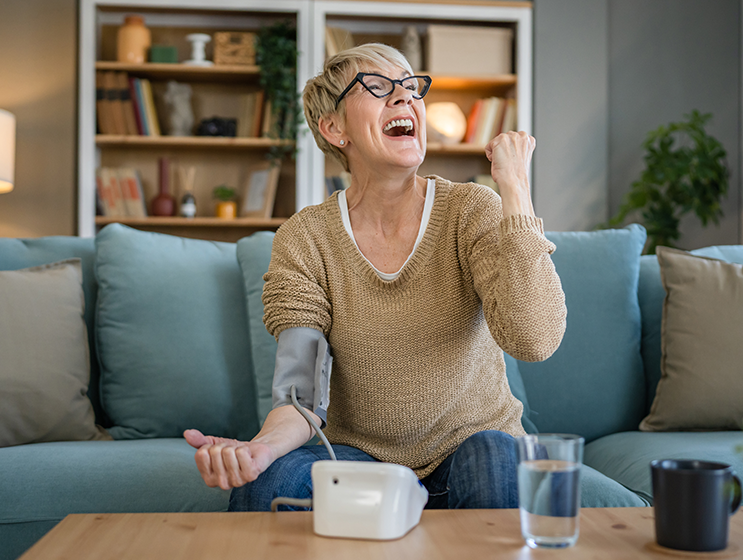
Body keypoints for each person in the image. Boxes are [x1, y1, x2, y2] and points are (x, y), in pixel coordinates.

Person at [184, 43, 566, 511]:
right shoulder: (305, 238)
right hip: (363, 466)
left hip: (474, 454)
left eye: (410, 87)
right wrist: (260, 449)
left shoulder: (471, 210)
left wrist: (515, 188)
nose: (403, 98)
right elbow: (301, 391)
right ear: (334, 128)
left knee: (498, 456)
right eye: (378, 87)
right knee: (266, 483)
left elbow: (535, 340)